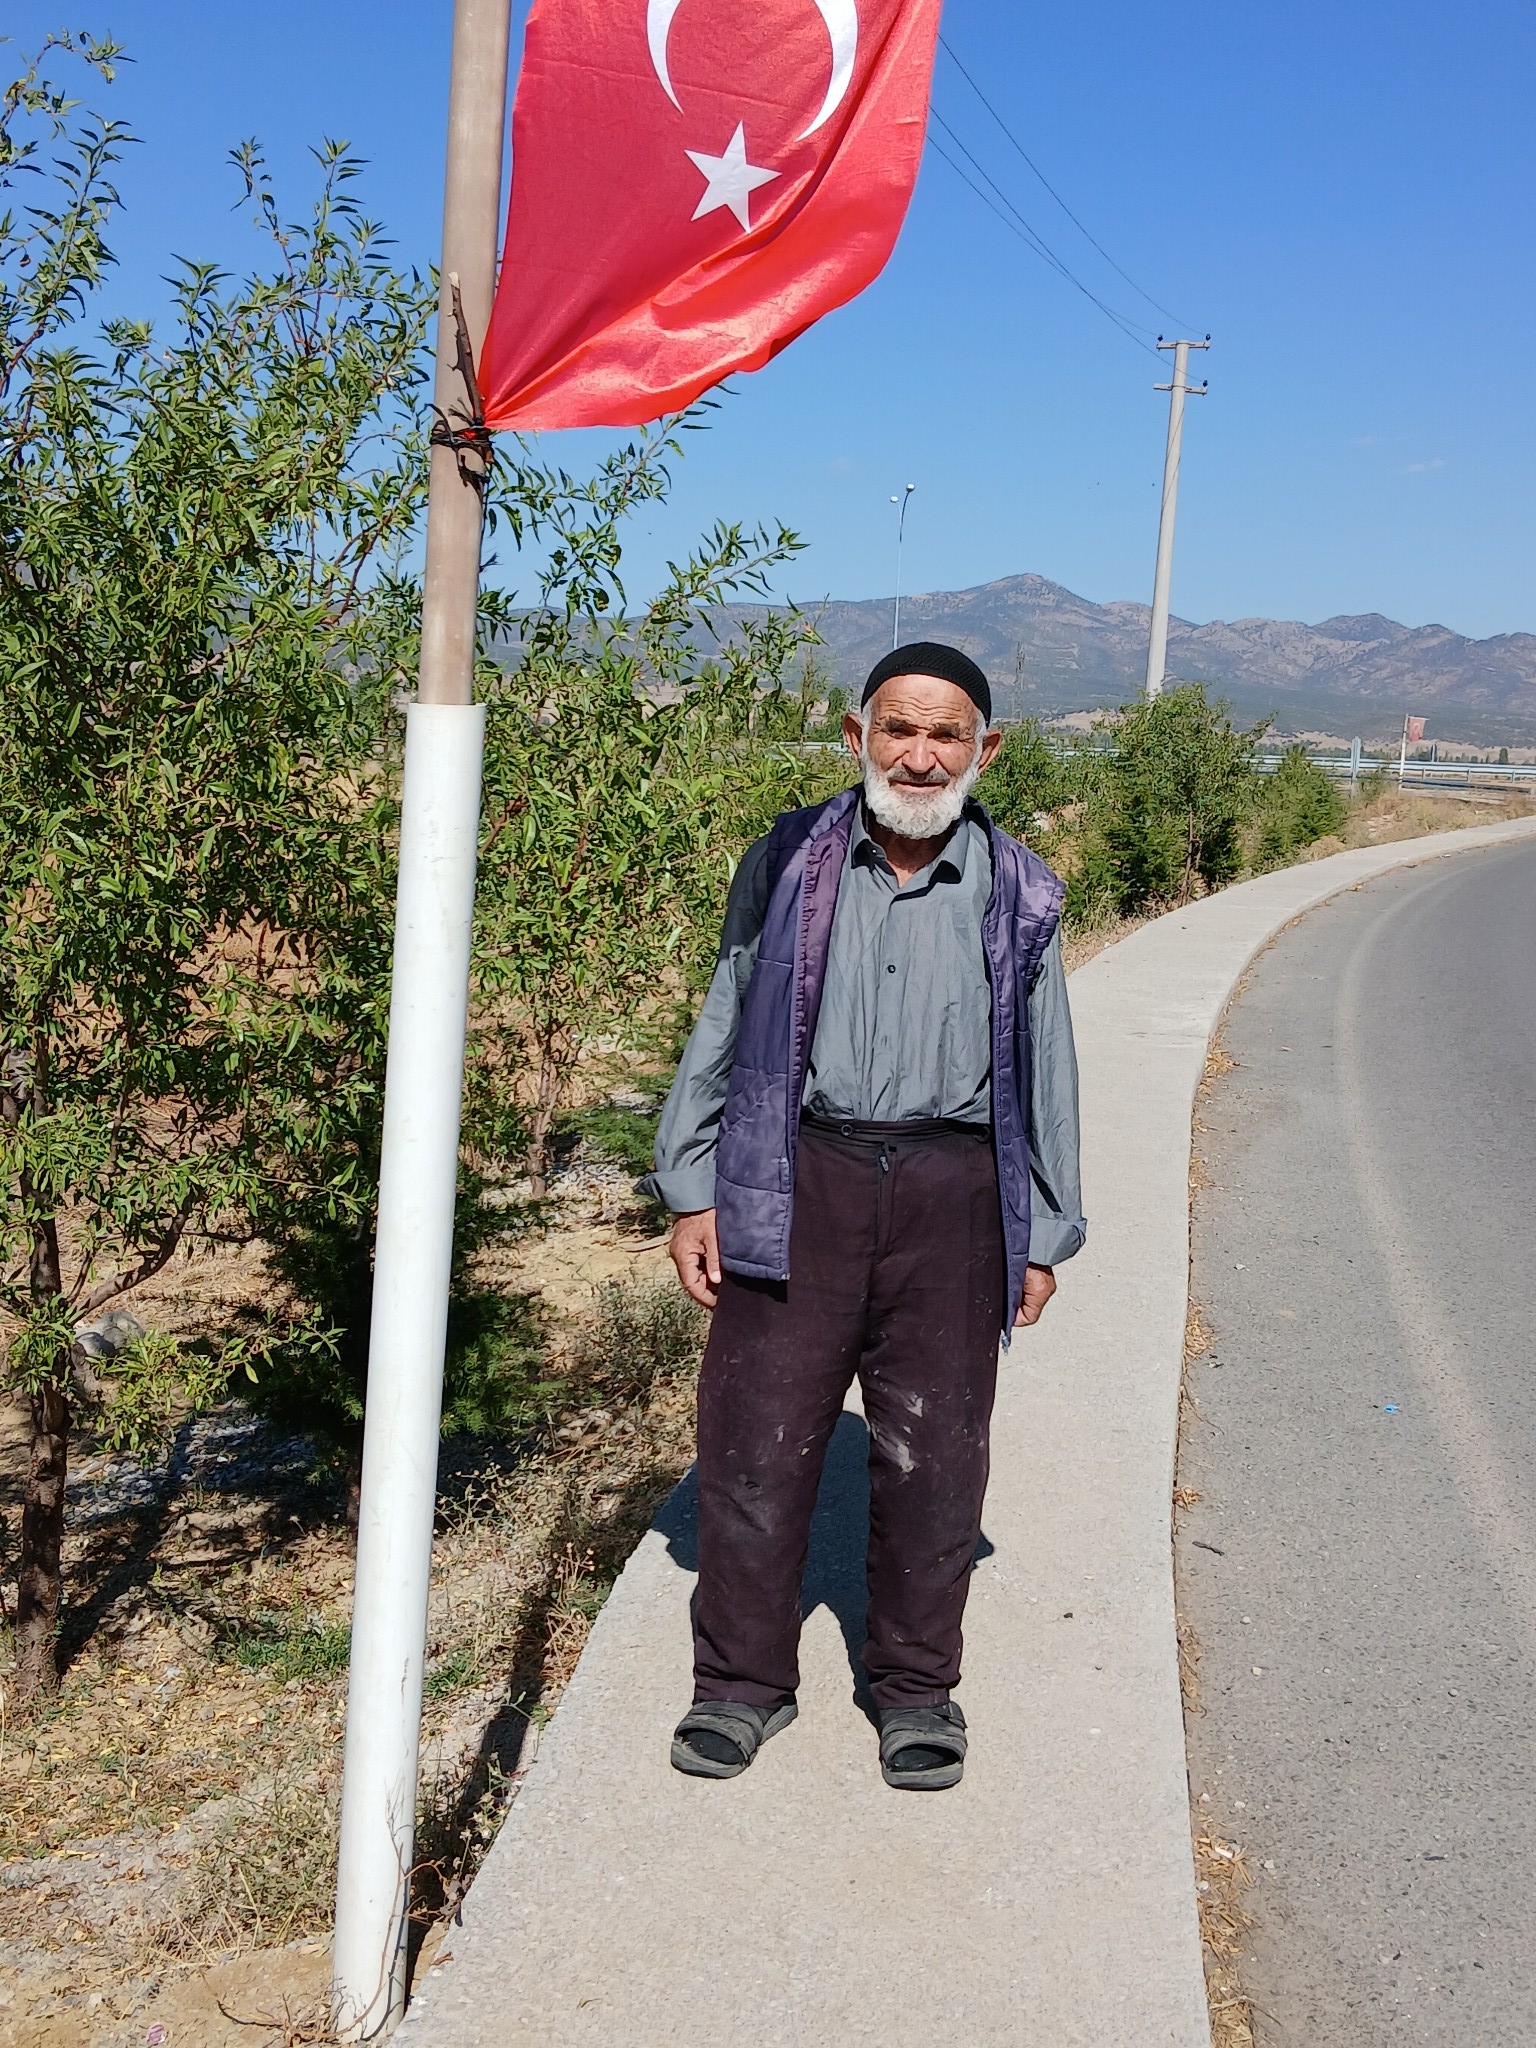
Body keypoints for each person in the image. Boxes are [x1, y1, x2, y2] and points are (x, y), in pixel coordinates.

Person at [641, 641, 1085, 1791]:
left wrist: (1041, 1229)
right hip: (802, 1174)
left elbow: (1047, 1067)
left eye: (948, 734)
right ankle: (739, 1685)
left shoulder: (1021, 887)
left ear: (987, 749)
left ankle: (916, 1688)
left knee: (938, 1456)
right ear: (857, 736)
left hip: (952, 1193)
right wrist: (691, 1184)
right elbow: (729, 1012)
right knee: (752, 1444)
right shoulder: (789, 857)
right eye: (900, 728)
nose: (922, 755)